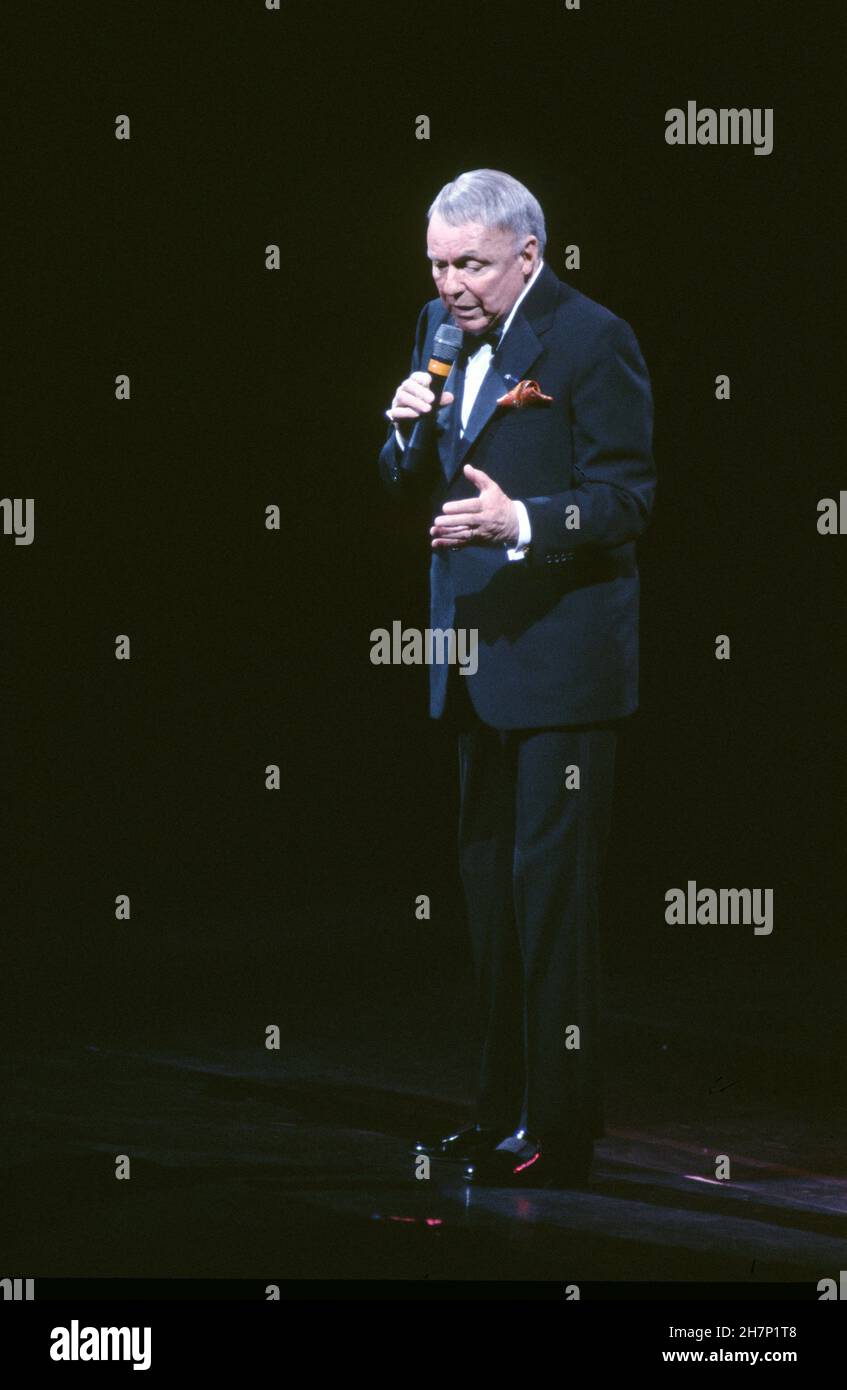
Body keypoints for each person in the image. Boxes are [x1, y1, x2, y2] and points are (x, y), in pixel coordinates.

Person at [377, 169, 656, 1187]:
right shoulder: (436, 329)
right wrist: (405, 427)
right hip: (473, 660)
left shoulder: (591, 339)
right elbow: (406, 481)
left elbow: (626, 498)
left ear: (527, 255)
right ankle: (494, 1111)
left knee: (551, 906)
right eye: (438, 262)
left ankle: (558, 1126)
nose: (450, 284)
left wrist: (521, 524)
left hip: (563, 668)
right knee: (489, 902)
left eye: (472, 264)